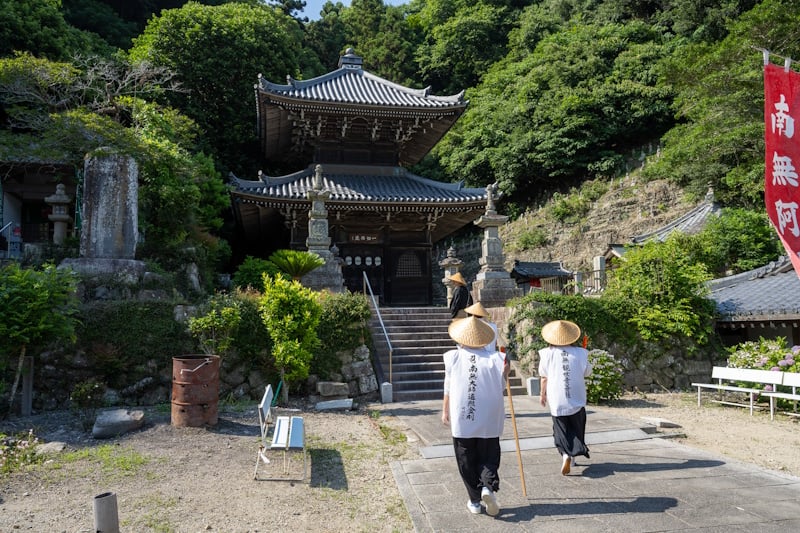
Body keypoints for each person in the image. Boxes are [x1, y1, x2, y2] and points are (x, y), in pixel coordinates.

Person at [441, 316, 509, 516]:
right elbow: (502, 387)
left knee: (466, 459)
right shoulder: (496, 359)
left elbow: (448, 387)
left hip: (463, 418)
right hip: (489, 418)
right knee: (489, 455)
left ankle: (475, 501)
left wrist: (445, 410)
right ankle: (487, 486)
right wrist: (505, 372)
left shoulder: (452, 357)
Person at [538, 319, 592, 476]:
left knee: (560, 428)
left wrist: (542, 394)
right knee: (576, 427)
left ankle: (566, 454)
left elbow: (544, 377)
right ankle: (573, 454)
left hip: (557, 398)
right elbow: (587, 372)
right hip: (577, 396)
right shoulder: (581, 353)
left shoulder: (546, 354)